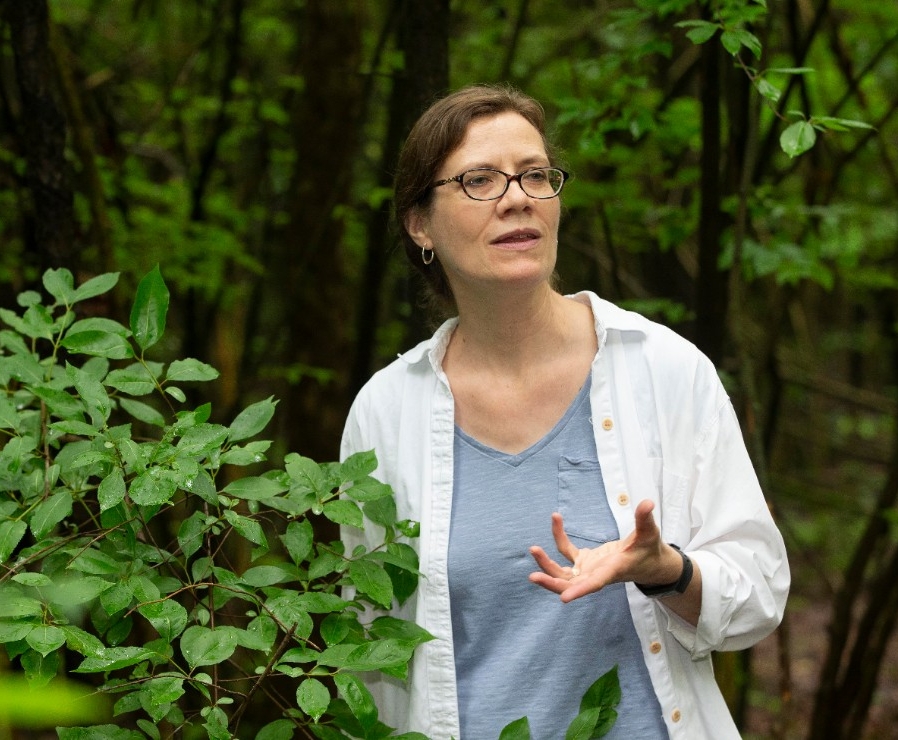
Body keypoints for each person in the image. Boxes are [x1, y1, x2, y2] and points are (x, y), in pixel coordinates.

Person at [340, 83, 789, 739]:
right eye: (479, 180)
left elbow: (759, 595)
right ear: (419, 223)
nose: (518, 197)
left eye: (534, 175)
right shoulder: (385, 411)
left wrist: (667, 571)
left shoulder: (663, 369)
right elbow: (367, 648)